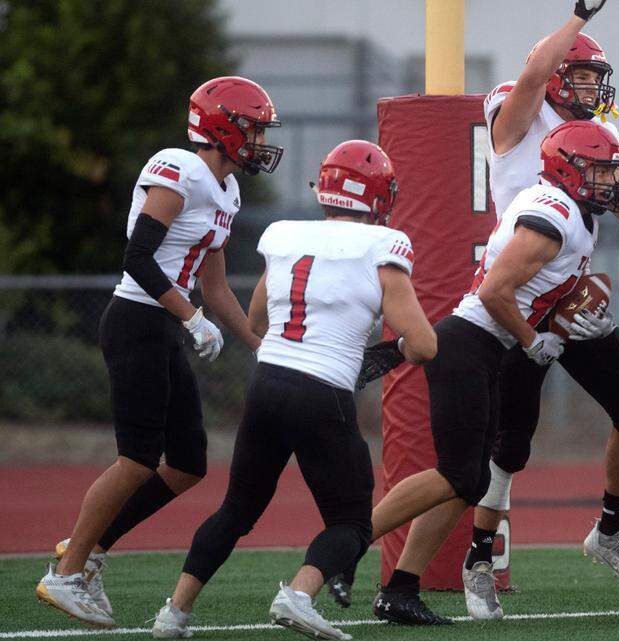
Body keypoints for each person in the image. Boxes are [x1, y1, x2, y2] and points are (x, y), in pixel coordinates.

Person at [148, 140, 436, 640]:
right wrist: (392, 348)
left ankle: (174, 613)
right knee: (351, 522)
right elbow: (426, 344)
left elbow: (257, 316)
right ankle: (298, 595)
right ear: (378, 196)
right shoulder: (383, 245)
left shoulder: (285, 236)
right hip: (322, 390)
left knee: (237, 510)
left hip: (267, 382)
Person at [36, 76, 283, 629]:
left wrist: (259, 346)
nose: (260, 139)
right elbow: (138, 256)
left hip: (163, 325)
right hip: (135, 320)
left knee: (190, 461)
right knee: (137, 457)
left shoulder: (227, 191)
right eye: (254, 128)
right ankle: (68, 570)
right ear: (223, 128)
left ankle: (89, 550)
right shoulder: (182, 168)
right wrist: (187, 315)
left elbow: (215, 286)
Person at [368, 120, 619, 625]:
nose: (608, 181)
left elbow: (536, 295)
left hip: (483, 350)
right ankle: (342, 543)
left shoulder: (575, 214)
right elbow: (493, 291)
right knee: (454, 474)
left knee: (468, 481)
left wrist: (572, 320)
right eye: (598, 170)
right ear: (569, 170)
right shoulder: (550, 214)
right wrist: (534, 341)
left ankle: (400, 589)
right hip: (469, 343)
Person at [461, 0, 619, 616]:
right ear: (551, 76)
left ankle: (610, 528)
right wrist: (578, 17)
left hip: (571, 291)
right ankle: (477, 562)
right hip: (521, 294)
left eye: (596, 78)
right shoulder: (519, 114)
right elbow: (529, 78)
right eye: (578, 76)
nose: (591, 88)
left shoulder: (603, 135)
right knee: (511, 442)